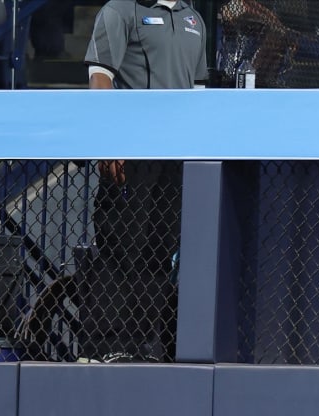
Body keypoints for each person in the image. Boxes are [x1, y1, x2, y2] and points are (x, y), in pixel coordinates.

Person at [82, 0, 206, 360]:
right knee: (121, 247)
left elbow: (198, 93)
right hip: (131, 155)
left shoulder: (194, 19)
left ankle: (142, 346)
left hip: (176, 159)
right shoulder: (118, 11)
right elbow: (100, 78)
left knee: (160, 252)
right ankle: (104, 350)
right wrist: (110, 141)